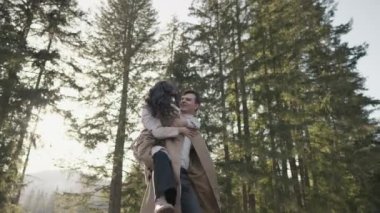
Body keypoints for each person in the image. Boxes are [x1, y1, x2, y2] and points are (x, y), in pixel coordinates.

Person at [136, 81, 220, 213]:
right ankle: (161, 200)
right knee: (165, 208)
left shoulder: (194, 129)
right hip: (167, 173)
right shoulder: (169, 115)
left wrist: (185, 122)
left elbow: (195, 127)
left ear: (196, 105)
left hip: (185, 177)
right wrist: (179, 127)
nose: (184, 101)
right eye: (182, 99)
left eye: (188, 99)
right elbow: (154, 132)